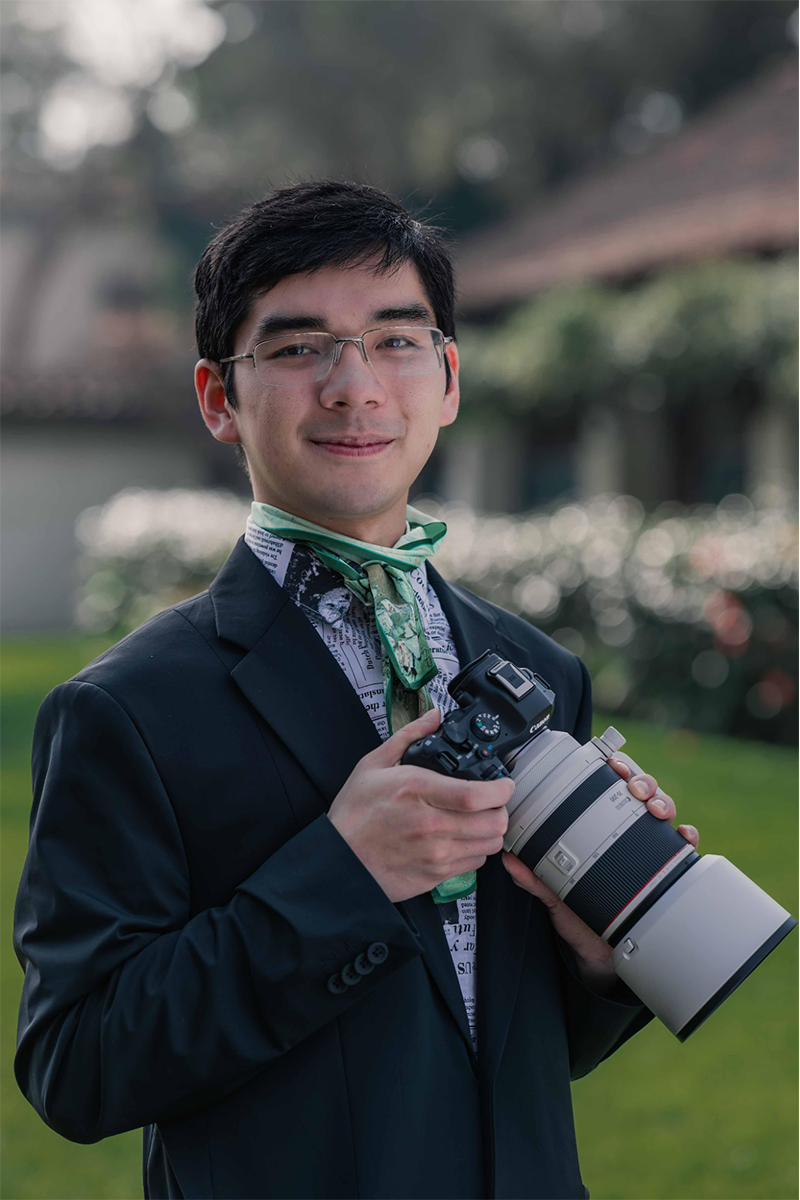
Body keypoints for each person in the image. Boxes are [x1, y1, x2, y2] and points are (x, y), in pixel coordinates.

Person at [14, 181, 699, 1200]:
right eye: (298, 348)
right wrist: (342, 873)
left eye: (395, 340)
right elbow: (77, 1065)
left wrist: (600, 955)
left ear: (448, 378)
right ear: (218, 399)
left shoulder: (540, 671)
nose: (355, 386)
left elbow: (502, 1039)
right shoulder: (126, 710)